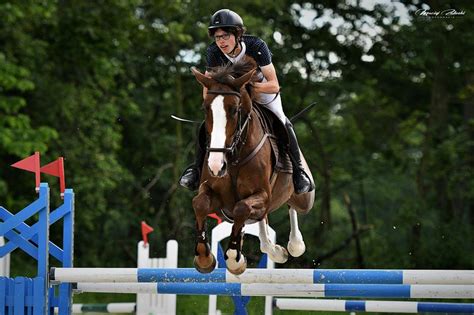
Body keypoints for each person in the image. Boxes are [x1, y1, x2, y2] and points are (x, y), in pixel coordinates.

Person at [179, 8, 314, 194]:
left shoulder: (256, 46)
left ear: (237, 33)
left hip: (262, 92)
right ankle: (195, 170)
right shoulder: (213, 52)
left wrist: (247, 88)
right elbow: (207, 89)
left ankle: (299, 173)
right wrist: (215, 103)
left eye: (225, 36)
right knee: (207, 125)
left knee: (283, 121)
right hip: (232, 98)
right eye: (217, 37)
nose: (221, 42)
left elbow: (274, 85)